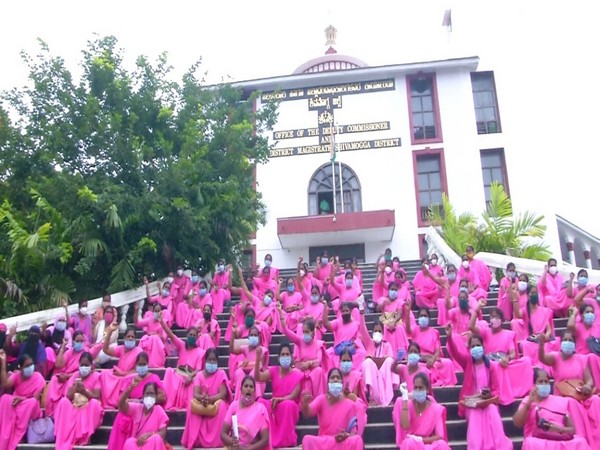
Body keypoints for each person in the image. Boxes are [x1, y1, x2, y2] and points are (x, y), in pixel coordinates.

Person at [446, 326, 513, 450]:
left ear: (483, 347)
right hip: (471, 402)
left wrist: (489, 396)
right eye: (473, 346)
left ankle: (498, 446)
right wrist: (449, 337)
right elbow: (455, 353)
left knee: (492, 411)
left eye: (478, 345)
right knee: (475, 414)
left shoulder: (491, 366)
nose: (476, 348)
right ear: (469, 349)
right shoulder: (467, 362)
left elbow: (496, 390)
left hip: (487, 401)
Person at [538, 331, 600, 445]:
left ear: (575, 345)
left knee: (596, 400)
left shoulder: (581, 359)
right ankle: (580, 440)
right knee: (571, 402)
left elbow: (590, 380)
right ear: (561, 344)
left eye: (570, 340)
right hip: (564, 397)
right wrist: (541, 345)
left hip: (580, 394)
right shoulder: (555, 357)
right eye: (565, 340)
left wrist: (587, 386)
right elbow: (542, 358)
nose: (567, 342)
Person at [469, 306, 533, 405]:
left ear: (502, 320)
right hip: (490, 362)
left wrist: (506, 358)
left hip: (503, 361)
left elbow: (512, 353)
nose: (494, 319)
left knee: (526, 361)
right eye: (492, 317)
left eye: (496, 317)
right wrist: (476, 311)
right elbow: (471, 327)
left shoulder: (508, 334)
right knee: (495, 366)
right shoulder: (486, 331)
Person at [513, 368, 590, 450]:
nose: (544, 384)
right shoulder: (528, 400)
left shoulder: (560, 401)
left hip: (559, 438)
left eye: (546, 382)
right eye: (540, 382)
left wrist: (558, 429)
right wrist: (529, 403)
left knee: (581, 441)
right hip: (538, 440)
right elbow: (518, 423)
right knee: (530, 442)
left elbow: (572, 430)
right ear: (534, 385)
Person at [107, 352, 166, 450]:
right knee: (121, 415)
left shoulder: (153, 378)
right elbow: (121, 402)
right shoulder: (131, 379)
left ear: (148, 364)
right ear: (135, 365)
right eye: (140, 364)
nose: (142, 367)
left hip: (148, 410)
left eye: (144, 364)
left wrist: (145, 401)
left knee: (156, 439)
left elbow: (163, 397)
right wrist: (132, 394)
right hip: (135, 409)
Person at [300, 367, 364, 450]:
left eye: (338, 378)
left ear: (342, 383)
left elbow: (353, 432)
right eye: (332, 378)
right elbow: (308, 413)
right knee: (307, 439)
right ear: (328, 383)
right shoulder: (321, 399)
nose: (335, 380)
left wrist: (345, 435)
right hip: (324, 443)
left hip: (341, 443)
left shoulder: (350, 404)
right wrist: (305, 404)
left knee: (357, 440)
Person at [181, 348, 232, 450]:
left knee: (222, 404)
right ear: (205, 361)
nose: (211, 362)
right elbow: (196, 394)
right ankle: (195, 439)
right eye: (209, 360)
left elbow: (223, 394)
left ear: (217, 362)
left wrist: (210, 400)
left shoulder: (221, 374)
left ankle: (218, 439)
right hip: (202, 404)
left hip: (215, 405)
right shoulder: (199, 375)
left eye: (214, 360)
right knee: (191, 406)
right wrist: (202, 398)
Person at [254, 343, 303, 448]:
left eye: (287, 354)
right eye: (283, 354)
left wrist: (280, 399)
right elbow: (258, 378)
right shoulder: (274, 370)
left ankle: (285, 440)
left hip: (286, 405)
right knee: (260, 402)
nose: (285, 357)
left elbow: (294, 396)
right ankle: (265, 437)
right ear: (279, 357)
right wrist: (258, 359)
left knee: (289, 404)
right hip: (274, 405)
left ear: (291, 357)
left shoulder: (297, 374)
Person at [53, 351, 104, 450]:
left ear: (91, 365)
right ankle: (64, 434)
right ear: (79, 365)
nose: (84, 367)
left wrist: (84, 391)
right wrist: (75, 389)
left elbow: (96, 395)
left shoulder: (96, 376)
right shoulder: (75, 375)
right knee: (63, 402)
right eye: (82, 365)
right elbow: (68, 396)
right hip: (74, 405)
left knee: (94, 403)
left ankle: (86, 436)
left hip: (87, 406)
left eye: (86, 365)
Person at [0, 351, 46, 450]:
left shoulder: (38, 377)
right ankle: (5, 433)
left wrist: (21, 399)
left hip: (30, 407)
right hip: (16, 404)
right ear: (21, 368)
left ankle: (18, 435)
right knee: (5, 398)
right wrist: (3, 363)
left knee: (31, 402)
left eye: (31, 364)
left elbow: (35, 398)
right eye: (27, 365)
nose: (30, 367)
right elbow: (5, 384)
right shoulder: (17, 375)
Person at [279, 304, 327, 397]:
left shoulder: (318, 344)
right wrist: (281, 313)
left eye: (307, 332)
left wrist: (309, 364)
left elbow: (318, 361)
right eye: (303, 332)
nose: (304, 334)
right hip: (301, 372)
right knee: (295, 372)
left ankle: (317, 400)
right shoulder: (300, 342)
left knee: (319, 370)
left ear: (313, 332)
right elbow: (286, 331)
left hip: (313, 373)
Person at [45, 330, 98, 416]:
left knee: (70, 383)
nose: (80, 343)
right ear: (73, 341)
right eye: (77, 341)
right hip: (66, 376)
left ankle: (64, 409)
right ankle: (52, 410)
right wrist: (63, 347)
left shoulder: (86, 353)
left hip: (76, 378)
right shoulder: (70, 352)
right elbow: (58, 364)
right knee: (54, 379)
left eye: (81, 341)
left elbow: (88, 370)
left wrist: (68, 376)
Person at [392, 372, 451, 449]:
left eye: (420, 388)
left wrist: (421, 440)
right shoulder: (409, 405)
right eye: (415, 388)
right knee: (408, 442)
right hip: (413, 443)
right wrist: (405, 399)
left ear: (427, 389)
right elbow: (405, 426)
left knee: (442, 444)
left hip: (428, 443)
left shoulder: (436, 409)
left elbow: (439, 436)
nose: (417, 390)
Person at [159, 316, 205, 410]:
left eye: (194, 335)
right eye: (190, 335)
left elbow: (198, 369)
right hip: (179, 373)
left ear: (197, 337)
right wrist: (162, 322)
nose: (192, 337)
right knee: (168, 371)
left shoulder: (200, 352)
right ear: (187, 335)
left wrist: (190, 376)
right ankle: (166, 400)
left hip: (190, 375)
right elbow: (170, 334)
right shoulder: (182, 346)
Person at [405, 305, 457, 387]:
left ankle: (449, 384)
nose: (423, 317)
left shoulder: (434, 332)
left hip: (432, 360)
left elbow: (437, 350)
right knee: (410, 365)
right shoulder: (415, 330)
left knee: (448, 363)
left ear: (429, 318)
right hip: (419, 360)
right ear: (418, 318)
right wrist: (407, 313)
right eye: (421, 316)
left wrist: (432, 359)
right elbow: (408, 329)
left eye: (425, 316)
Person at [511, 283, 559, 368]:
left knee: (551, 343)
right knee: (525, 345)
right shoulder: (525, 311)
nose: (534, 295)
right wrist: (515, 298)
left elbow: (548, 328)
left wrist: (547, 335)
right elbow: (517, 314)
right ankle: (532, 366)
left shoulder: (544, 311)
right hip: (530, 339)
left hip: (542, 337)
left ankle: (545, 367)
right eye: (532, 293)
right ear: (528, 296)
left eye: (536, 293)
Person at [220, 375, 270, 450]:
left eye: (251, 387)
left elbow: (265, 440)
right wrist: (233, 442)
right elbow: (223, 434)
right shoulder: (234, 406)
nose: (248, 389)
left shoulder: (260, 409)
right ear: (241, 389)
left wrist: (248, 448)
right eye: (246, 386)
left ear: (254, 391)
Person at [99, 323, 143, 408]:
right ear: (124, 338)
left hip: (128, 377)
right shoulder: (121, 348)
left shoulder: (139, 351)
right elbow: (105, 350)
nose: (130, 338)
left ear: (135, 339)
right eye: (128, 336)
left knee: (135, 376)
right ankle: (108, 402)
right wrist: (110, 332)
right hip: (118, 376)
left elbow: (137, 370)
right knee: (104, 373)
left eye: (132, 337)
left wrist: (122, 374)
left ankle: (119, 400)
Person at [358, 310, 396, 406]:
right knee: (367, 362)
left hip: (384, 372)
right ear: (372, 332)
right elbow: (362, 329)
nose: (377, 333)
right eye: (375, 331)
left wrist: (378, 360)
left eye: (379, 331)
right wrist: (361, 314)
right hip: (372, 371)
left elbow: (389, 360)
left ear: (383, 333)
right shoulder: (369, 343)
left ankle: (389, 397)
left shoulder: (387, 345)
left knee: (390, 361)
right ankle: (372, 398)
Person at [118, 381, 169, 450]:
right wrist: (128, 391)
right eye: (147, 394)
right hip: (138, 444)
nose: (149, 397)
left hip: (152, 443)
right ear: (143, 395)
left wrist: (148, 435)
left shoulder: (159, 410)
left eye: (152, 394)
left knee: (156, 438)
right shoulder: (137, 408)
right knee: (129, 442)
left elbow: (163, 433)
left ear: (156, 396)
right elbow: (121, 406)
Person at [229, 325, 269, 399]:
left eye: (255, 335)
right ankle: (238, 398)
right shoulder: (246, 348)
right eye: (251, 335)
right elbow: (232, 350)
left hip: (258, 380)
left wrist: (249, 363)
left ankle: (256, 398)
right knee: (239, 372)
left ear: (258, 337)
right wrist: (233, 335)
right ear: (248, 337)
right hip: (246, 378)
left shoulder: (262, 350)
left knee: (253, 372)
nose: (253, 337)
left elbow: (260, 366)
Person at [134, 302, 168, 368]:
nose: (157, 312)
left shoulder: (164, 322)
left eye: (158, 311)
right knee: (145, 337)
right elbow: (137, 323)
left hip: (160, 345)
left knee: (154, 338)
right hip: (148, 345)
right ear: (153, 312)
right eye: (156, 311)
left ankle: (155, 363)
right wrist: (136, 311)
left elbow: (164, 337)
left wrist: (155, 335)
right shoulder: (149, 320)